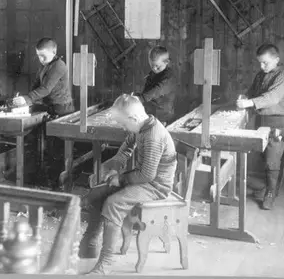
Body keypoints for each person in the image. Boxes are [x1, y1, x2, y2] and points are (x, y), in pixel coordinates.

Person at [78, 93, 177, 275]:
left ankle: (106, 263)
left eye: (124, 124)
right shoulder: (141, 126)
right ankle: (90, 244)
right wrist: (115, 168)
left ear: (134, 118)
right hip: (143, 179)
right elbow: (125, 149)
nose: (123, 128)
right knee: (98, 192)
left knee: (113, 204)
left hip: (156, 186)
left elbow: (147, 175)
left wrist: (121, 179)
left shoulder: (153, 136)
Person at [236, 43, 284, 211]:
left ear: (276, 60)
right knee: (263, 156)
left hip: (278, 123)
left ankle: (271, 192)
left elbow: (272, 98)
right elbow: (252, 93)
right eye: (260, 63)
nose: (261, 66)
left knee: (272, 159)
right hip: (262, 121)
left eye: (265, 63)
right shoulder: (261, 75)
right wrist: (244, 97)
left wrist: (249, 103)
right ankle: (268, 186)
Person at [11, 38, 74, 116]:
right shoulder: (44, 65)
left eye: (43, 56)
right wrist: (26, 100)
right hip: (50, 105)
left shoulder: (58, 66)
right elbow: (36, 85)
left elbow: (46, 89)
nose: (41, 59)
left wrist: (27, 98)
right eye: (39, 56)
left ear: (54, 52)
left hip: (61, 108)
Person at [135, 46, 177, 125]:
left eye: (157, 66)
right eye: (152, 66)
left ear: (166, 62)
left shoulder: (169, 77)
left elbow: (157, 90)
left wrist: (141, 98)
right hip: (152, 111)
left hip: (163, 115)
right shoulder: (153, 73)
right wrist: (137, 96)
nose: (154, 69)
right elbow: (147, 90)